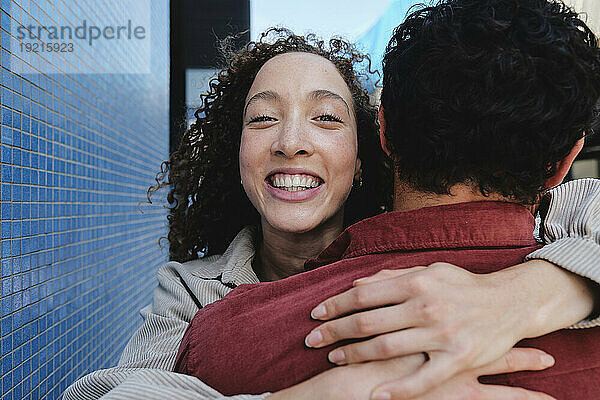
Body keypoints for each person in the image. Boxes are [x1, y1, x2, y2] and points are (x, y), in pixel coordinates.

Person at [63, 27, 600, 400]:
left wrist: (532, 291)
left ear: (372, 148)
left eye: (325, 118)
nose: (291, 142)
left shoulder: (431, 240)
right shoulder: (191, 291)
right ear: (236, 151)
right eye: (263, 119)